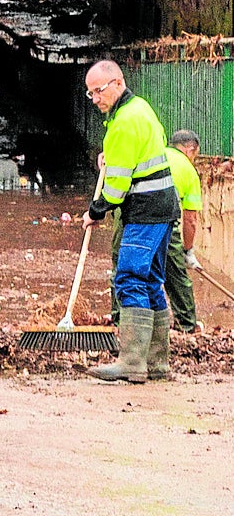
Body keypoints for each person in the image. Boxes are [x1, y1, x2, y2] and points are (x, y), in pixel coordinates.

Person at [82, 60, 179, 384]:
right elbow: (149, 146)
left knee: (129, 278)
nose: (95, 98)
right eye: (90, 93)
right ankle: (158, 364)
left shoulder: (122, 124)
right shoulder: (140, 108)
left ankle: (132, 363)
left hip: (145, 212)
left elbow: (116, 190)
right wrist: (115, 155)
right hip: (164, 206)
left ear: (117, 83)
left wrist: (95, 211)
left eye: (99, 90)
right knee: (151, 281)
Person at [109, 128, 202, 333]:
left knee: (123, 265)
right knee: (173, 271)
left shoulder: (154, 154)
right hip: (161, 215)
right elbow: (190, 219)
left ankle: (119, 321)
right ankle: (186, 325)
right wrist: (187, 250)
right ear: (190, 150)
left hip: (126, 209)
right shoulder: (188, 170)